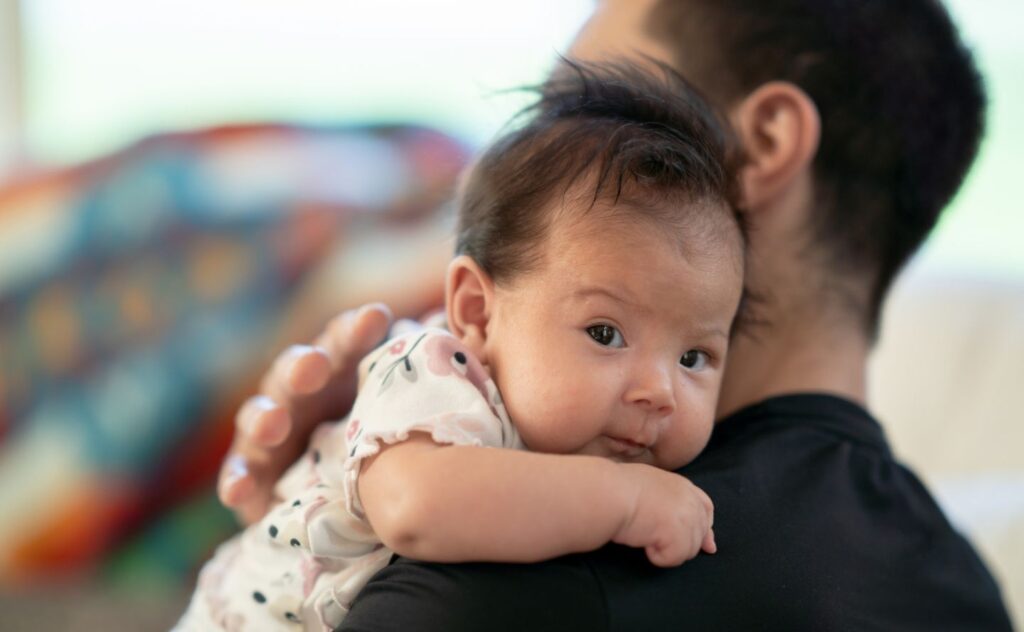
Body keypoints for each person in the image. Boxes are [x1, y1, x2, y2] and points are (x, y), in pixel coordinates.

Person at [218, 1, 1015, 629]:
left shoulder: (525, 567)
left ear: (762, 142)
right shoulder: (962, 589)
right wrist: (298, 523)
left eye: (579, 110)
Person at [181, 60, 744, 630]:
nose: (660, 391)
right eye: (605, 333)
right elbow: (414, 508)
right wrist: (624, 502)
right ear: (476, 310)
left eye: (693, 357)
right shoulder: (433, 369)